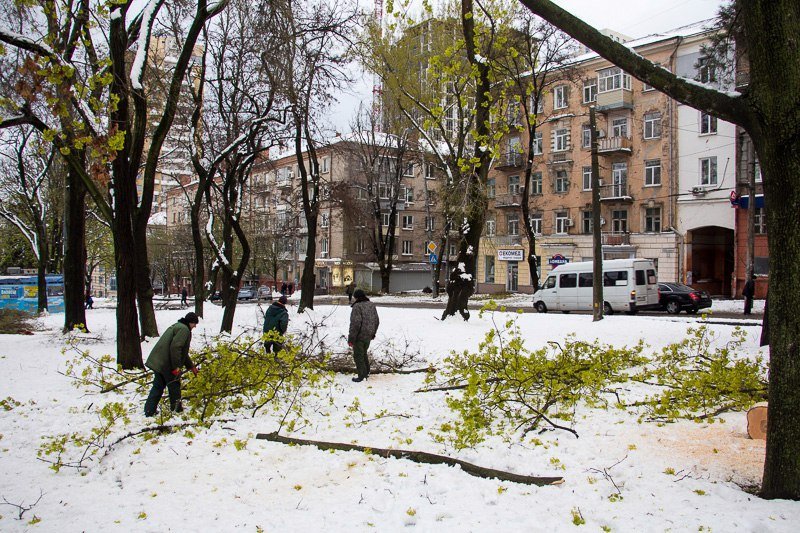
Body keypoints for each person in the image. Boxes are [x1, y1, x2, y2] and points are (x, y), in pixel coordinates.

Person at [143, 312, 199, 417]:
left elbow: (182, 352)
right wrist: (176, 367)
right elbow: (176, 348)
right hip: (167, 364)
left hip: (160, 362)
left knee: (158, 387)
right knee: (174, 386)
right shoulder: (184, 330)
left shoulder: (178, 326)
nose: (195, 326)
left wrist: (191, 366)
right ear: (190, 322)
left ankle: (149, 410)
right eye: (194, 323)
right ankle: (176, 410)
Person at [348, 289, 379, 382]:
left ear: (356, 297)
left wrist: (351, 338)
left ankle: (361, 375)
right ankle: (367, 371)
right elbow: (376, 320)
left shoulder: (357, 307)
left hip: (359, 336)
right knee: (363, 353)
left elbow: (355, 324)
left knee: (358, 355)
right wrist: (373, 333)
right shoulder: (371, 305)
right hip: (369, 335)